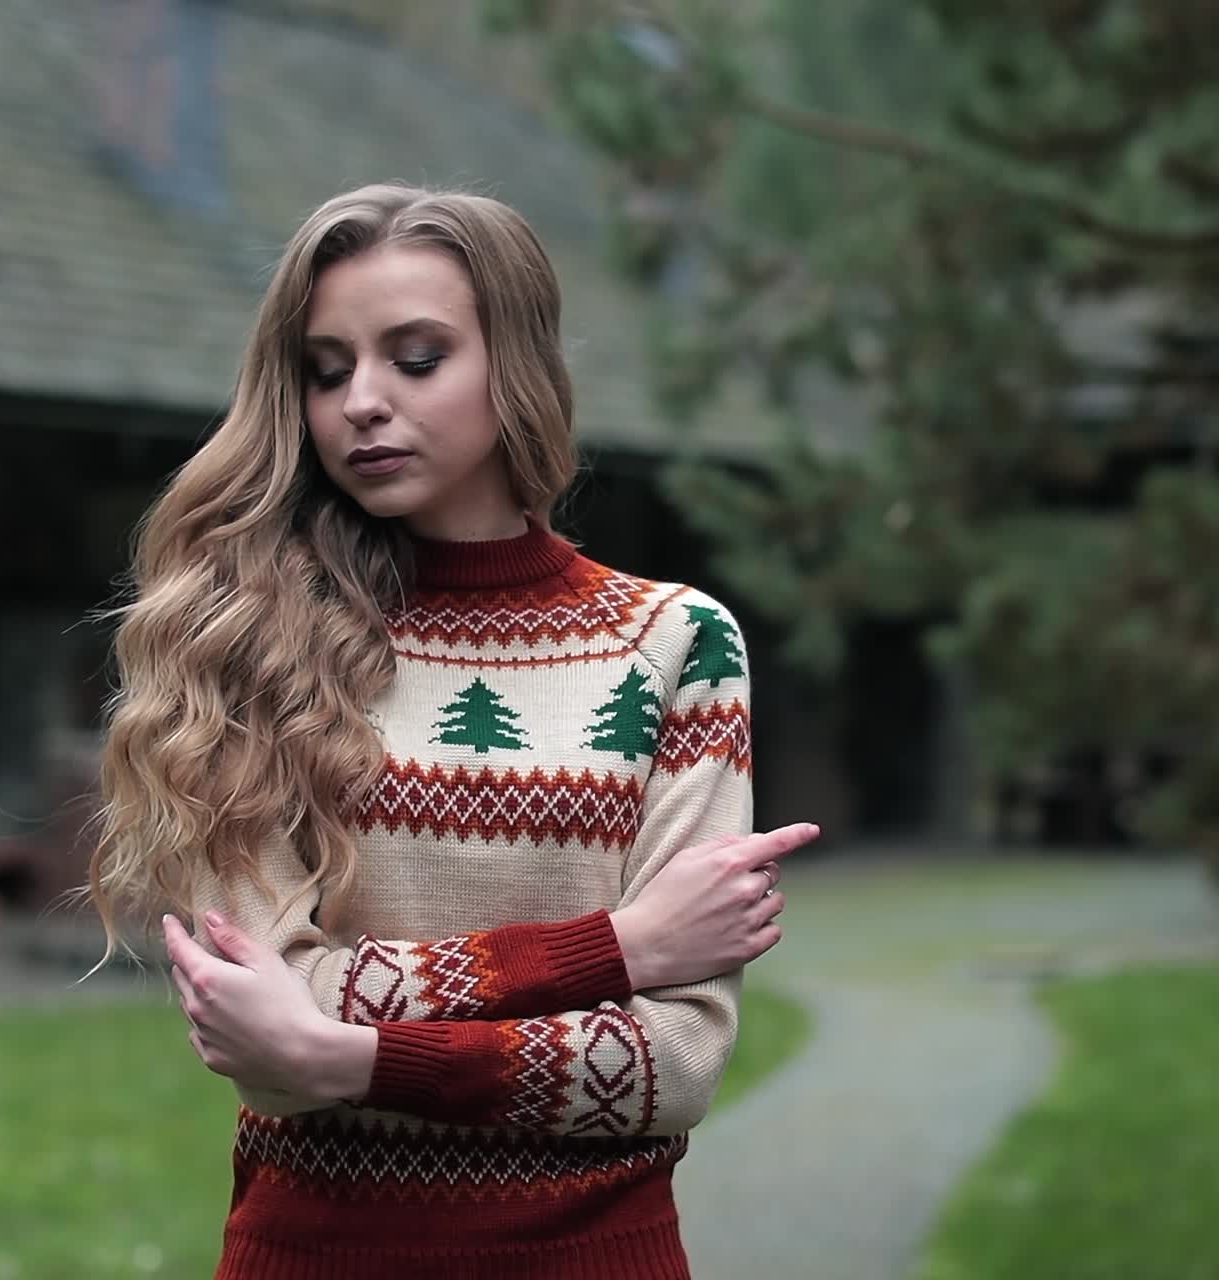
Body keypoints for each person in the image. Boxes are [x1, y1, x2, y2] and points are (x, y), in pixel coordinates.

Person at [88, 183, 820, 1280]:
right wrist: (612, 950)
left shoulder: (671, 646)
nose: (360, 403)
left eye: (415, 358)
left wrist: (352, 1051)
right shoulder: (251, 639)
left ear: (513, 364)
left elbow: (672, 1063)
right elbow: (267, 1046)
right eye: (327, 369)